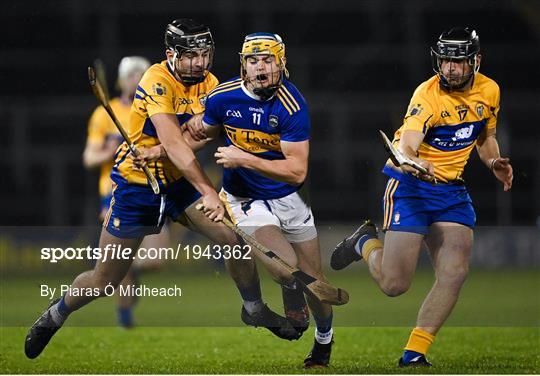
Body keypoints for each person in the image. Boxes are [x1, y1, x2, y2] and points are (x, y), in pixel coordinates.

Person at [25, 19, 297, 361]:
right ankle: (55, 315)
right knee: (105, 280)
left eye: (205, 54)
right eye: (191, 56)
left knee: (235, 241)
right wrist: (207, 188)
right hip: (137, 188)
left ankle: (254, 308)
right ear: (171, 55)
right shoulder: (156, 80)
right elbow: (181, 146)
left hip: (178, 185)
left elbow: (205, 134)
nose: (200, 62)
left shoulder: (208, 83)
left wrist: (167, 149)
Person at [330, 27, 513, 367]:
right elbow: (408, 144)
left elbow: (485, 136)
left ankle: (414, 353)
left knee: (455, 272)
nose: (451, 69)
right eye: (445, 62)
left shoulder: (490, 91)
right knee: (394, 284)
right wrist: (414, 162)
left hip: (451, 191)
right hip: (410, 188)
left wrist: (492, 161)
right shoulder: (426, 95)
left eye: (458, 63)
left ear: (476, 61)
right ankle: (364, 242)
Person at [185, 32, 335, 368]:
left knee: (316, 282)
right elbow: (200, 135)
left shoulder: (292, 105)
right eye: (253, 61)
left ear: (282, 63)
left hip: (290, 197)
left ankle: (324, 340)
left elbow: (297, 171)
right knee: (284, 269)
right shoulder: (222, 97)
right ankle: (287, 289)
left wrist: (245, 158)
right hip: (245, 199)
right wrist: (160, 151)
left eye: (267, 59)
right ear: (243, 65)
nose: (260, 67)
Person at [83, 56, 170, 328]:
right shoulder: (103, 115)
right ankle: (124, 317)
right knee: (119, 257)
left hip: (151, 188)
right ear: (121, 80)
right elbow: (88, 158)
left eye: (141, 74)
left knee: (156, 258)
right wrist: (108, 152)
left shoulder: (154, 111)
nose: (136, 79)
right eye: (131, 75)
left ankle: (128, 269)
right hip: (115, 192)